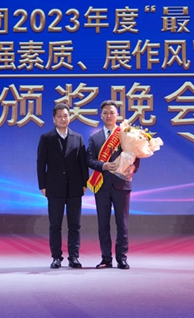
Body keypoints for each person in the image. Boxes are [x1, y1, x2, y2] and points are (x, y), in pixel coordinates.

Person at [86, 100, 139, 269]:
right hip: (101, 185)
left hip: (121, 185)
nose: (109, 115)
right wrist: (103, 166)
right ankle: (106, 258)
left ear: (117, 115)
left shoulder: (126, 134)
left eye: (112, 112)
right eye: (105, 113)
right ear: (101, 116)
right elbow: (89, 160)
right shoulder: (94, 138)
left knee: (122, 224)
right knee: (103, 224)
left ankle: (122, 258)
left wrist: (133, 168)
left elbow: (135, 156)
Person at [37, 103, 88, 269]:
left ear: (70, 118)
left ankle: (74, 257)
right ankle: (56, 257)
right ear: (54, 119)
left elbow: (83, 163)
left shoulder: (78, 138)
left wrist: (84, 183)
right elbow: (41, 164)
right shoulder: (46, 138)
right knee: (55, 225)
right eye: (59, 116)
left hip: (75, 188)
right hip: (54, 188)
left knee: (75, 225)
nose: (63, 119)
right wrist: (42, 185)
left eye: (65, 116)